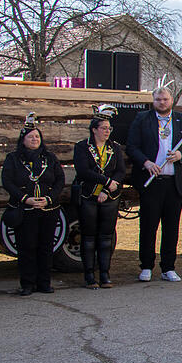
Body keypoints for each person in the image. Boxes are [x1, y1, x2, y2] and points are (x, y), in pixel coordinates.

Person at [126, 87, 182, 282]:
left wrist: (181, 155)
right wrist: (146, 162)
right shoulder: (142, 119)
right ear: (153, 100)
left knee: (171, 228)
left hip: (174, 183)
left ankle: (168, 267)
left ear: (171, 100)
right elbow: (132, 146)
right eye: (158, 99)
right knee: (148, 226)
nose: (162, 102)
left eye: (165, 99)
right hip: (151, 182)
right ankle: (146, 266)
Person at [1, 114, 65, 295]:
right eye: (31, 137)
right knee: (26, 247)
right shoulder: (13, 159)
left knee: (45, 247)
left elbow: (59, 180)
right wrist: (25, 199)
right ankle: (27, 284)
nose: (34, 139)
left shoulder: (50, 158)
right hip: (25, 209)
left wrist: (49, 198)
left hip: (48, 209)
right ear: (23, 140)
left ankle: (44, 283)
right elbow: (8, 182)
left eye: (37, 136)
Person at [73, 105, 125, 289]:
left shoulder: (115, 148)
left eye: (109, 128)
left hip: (109, 197)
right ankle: (89, 275)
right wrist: (105, 180)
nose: (107, 131)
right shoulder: (82, 147)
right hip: (88, 195)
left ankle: (105, 274)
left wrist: (108, 188)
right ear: (94, 129)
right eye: (103, 128)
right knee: (88, 237)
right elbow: (83, 171)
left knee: (106, 237)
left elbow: (120, 171)